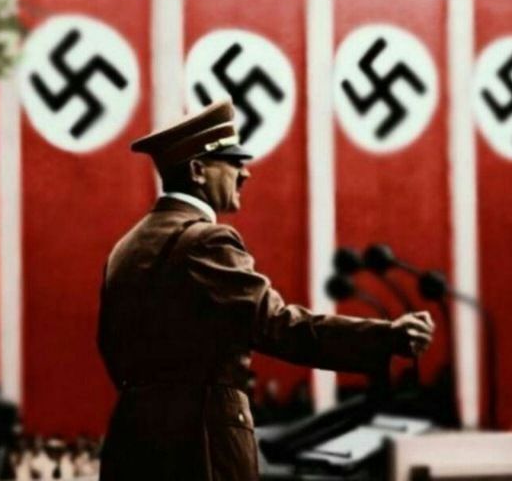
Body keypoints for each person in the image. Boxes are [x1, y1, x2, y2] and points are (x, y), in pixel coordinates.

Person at [97, 100, 435, 481]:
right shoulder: (206, 240)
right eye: (232, 162)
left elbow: (110, 345)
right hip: (202, 445)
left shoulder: (125, 248)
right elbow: (278, 325)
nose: (245, 173)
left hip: (131, 442)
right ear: (197, 170)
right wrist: (387, 337)